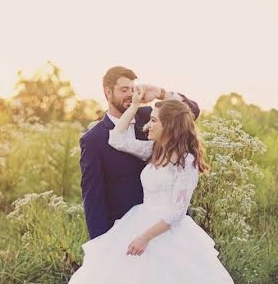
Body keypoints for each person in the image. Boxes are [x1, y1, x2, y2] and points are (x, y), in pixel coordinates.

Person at [7, 84, 278, 284]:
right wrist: (136, 103)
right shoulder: (154, 152)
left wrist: (145, 237)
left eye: (153, 120)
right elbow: (117, 138)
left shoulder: (187, 161)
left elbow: (177, 212)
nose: (147, 124)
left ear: (169, 126)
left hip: (163, 234)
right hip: (138, 224)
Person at [78, 66, 200, 240]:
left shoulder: (152, 116)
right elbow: (93, 199)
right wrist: (101, 243)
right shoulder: (93, 140)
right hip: (125, 229)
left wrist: (160, 93)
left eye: (133, 89)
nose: (130, 94)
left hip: (170, 229)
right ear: (108, 92)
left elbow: (191, 111)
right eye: (123, 90)